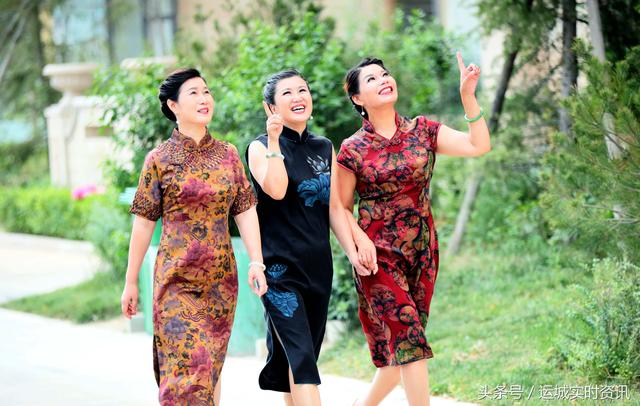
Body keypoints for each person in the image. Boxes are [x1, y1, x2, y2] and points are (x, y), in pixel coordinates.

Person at [337, 53, 491, 406]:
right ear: (357, 98)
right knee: (410, 342)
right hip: (378, 256)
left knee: (406, 348)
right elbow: (342, 208)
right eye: (372, 79)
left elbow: (479, 145)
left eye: (385, 74)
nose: (383, 80)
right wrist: (358, 243)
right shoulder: (352, 149)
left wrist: (467, 97)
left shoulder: (423, 131)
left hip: (422, 251)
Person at [120, 68, 268, 406]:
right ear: (173, 105)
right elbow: (143, 223)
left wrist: (256, 262)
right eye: (194, 93)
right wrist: (130, 281)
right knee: (191, 368)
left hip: (220, 282)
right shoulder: (159, 159)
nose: (204, 99)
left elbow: (245, 211)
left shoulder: (228, 155)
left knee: (210, 368)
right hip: (176, 282)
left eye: (206, 91)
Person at [246, 69, 370, 406]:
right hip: (279, 271)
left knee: (300, 358)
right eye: (287, 93)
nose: (298, 97)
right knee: (302, 361)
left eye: (302, 90)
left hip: (318, 268)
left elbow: (334, 208)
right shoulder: (259, 147)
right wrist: (274, 141)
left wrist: (352, 252)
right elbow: (276, 189)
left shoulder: (323, 147)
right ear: (271, 107)